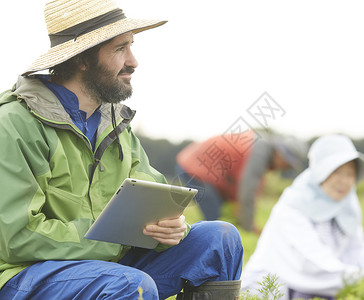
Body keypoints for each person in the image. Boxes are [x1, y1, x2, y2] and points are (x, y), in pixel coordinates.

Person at [0, 0, 243, 299]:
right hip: (25, 275)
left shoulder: (115, 123)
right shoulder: (13, 124)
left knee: (220, 238)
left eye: (131, 46)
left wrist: (168, 227)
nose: (133, 61)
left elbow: (154, 196)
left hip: (109, 266)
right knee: (130, 284)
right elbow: (17, 237)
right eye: (119, 49)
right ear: (82, 59)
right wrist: (112, 241)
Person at [240, 134, 364, 299]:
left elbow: (353, 254)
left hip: (314, 288)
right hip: (270, 290)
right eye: (336, 172)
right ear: (319, 172)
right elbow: (315, 267)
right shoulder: (293, 207)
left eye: (350, 174)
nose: (344, 181)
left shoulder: (346, 206)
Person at [175, 130, 308, 232]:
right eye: (288, 164)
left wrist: (241, 213)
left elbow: (242, 186)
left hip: (198, 168)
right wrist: (248, 227)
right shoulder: (259, 152)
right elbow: (247, 191)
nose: (286, 168)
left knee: (222, 219)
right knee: (214, 223)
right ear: (281, 153)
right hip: (194, 168)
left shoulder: (262, 150)